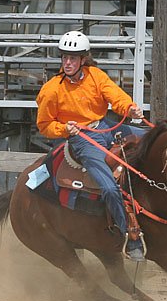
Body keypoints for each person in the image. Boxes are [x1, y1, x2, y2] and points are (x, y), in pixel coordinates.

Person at [36, 31, 146, 261]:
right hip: (83, 138)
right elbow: (44, 125)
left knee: (152, 139)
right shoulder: (51, 90)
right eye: (65, 57)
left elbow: (116, 96)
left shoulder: (95, 76)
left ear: (83, 59)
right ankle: (130, 235)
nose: (67, 62)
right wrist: (65, 129)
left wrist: (130, 108)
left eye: (72, 58)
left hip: (106, 126)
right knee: (108, 187)